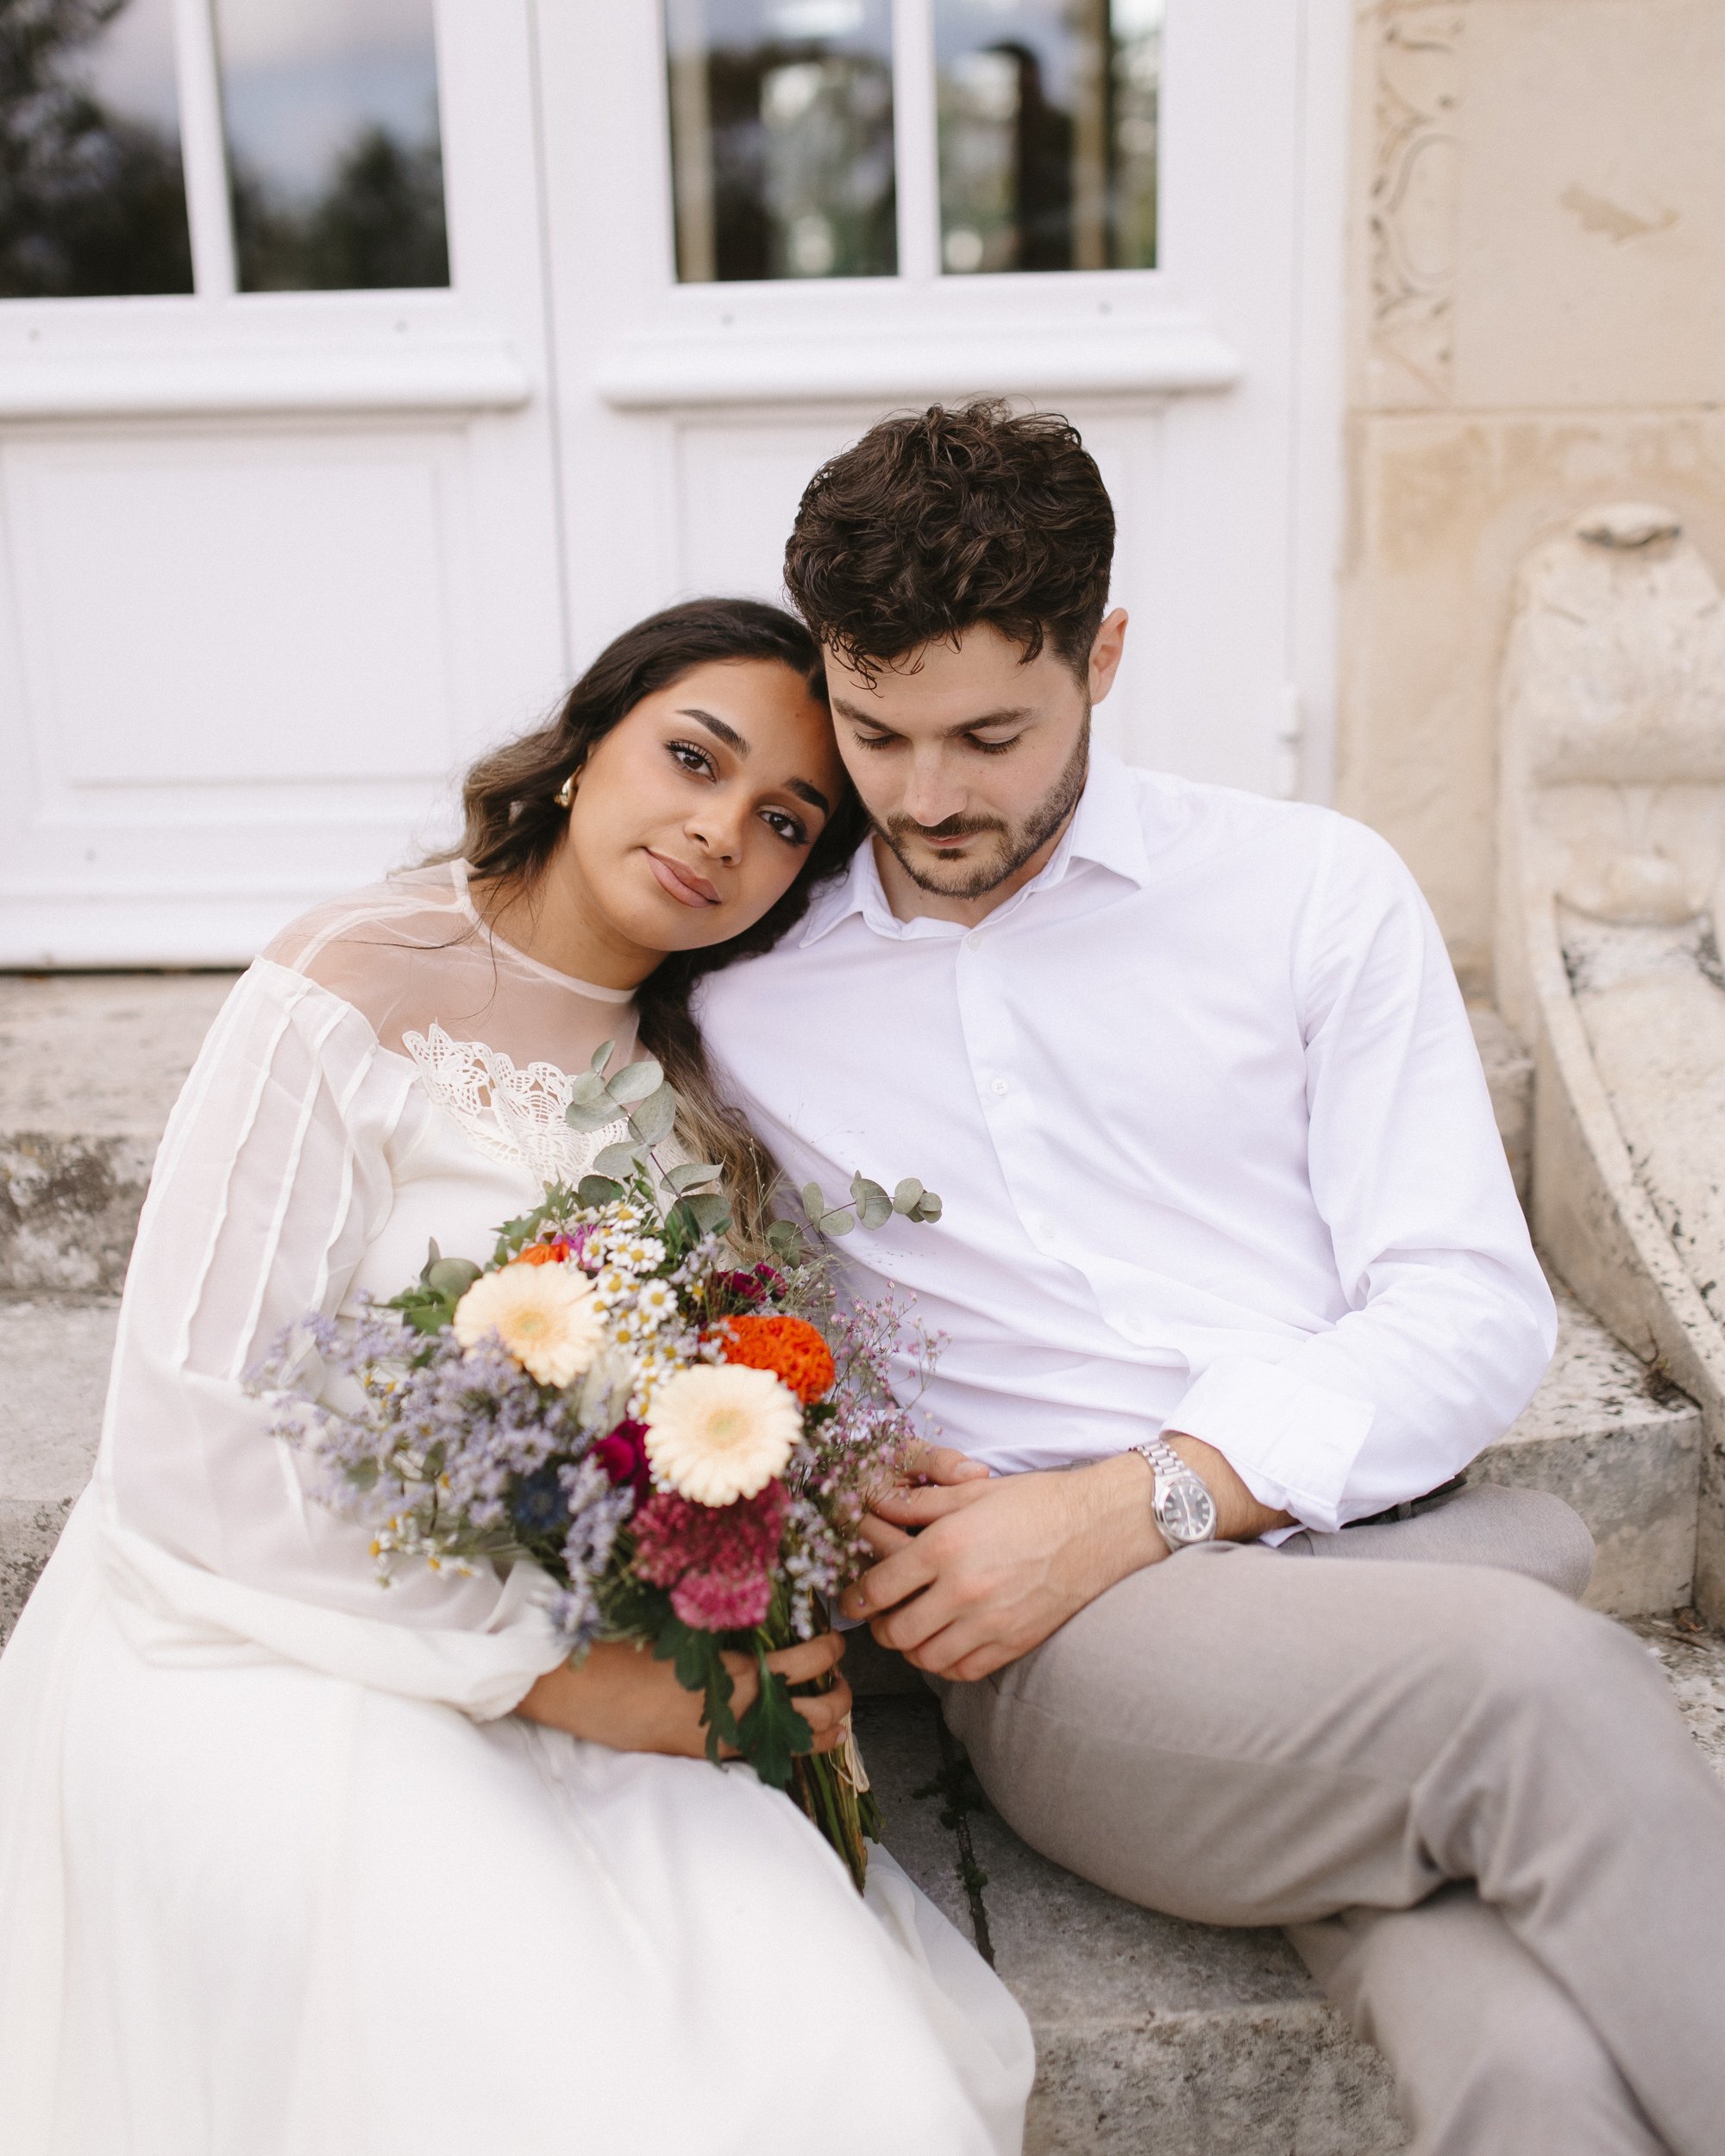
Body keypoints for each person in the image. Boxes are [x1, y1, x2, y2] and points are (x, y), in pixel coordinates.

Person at [694, 404, 1725, 2156]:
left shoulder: (1308, 891)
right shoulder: (741, 981)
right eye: (875, 731)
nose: (928, 795)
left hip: (1357, 1561)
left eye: (990, 733)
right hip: (1070, 1646)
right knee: (1541, 1686)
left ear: (1101, 654)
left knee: (1525, 2063)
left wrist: (1147, 1493)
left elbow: (1467, 1306)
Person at [0, 599, 1033, 2155]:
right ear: (581, 747)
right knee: (495, 2030)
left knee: (814, 2052)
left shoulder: (696, 1081)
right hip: (254, 1612)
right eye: (691, 758)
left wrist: (807, 1505)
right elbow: (189, 1435)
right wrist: (562, 1679)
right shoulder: (352, 979)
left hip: (568, 1621)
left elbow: (706, 1398)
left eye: (781, 821)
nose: (717, 833)